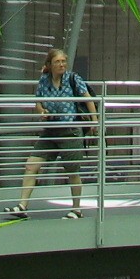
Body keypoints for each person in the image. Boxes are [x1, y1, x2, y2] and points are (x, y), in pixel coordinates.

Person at [7, 48, 96, 219]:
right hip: (51, 130)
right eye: (58, 61)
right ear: (50, 64)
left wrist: (94, 121)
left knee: (72, 171)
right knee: (31, 165)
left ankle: (76, 209)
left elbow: (88, 99)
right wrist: (42, 111)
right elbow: (38, 101)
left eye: (63, 61)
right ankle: (22, 206)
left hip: (70, 131)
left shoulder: (73, 78)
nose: (61, 64)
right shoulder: (44, 80)